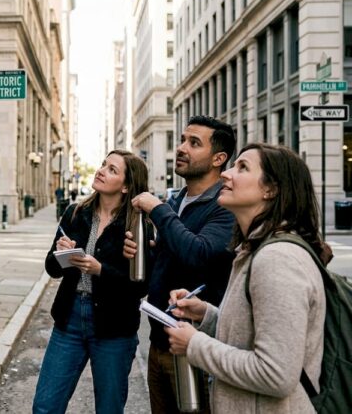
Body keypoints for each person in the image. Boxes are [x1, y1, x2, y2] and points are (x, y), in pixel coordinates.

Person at [165, 143, 327, 413]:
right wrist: (206, 314)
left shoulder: (277, 260)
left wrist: (195, 344)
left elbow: (276, 374)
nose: (226, 174)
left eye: (242, 167)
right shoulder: (255, 250)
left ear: (270, 189)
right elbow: (253, 335)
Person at [124, 115, 236, 414]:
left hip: (196, 349)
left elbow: (198, 253)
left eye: (194, 143)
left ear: (218, 159)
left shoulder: (224, 207)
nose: (182, 148)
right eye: (183, 140)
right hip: (160, 342)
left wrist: (158, 210)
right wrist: (143, 253)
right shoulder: (176, 202)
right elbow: (165, 266)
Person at [33, 150, 149, 414]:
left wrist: (100, 270)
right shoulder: (76, 212)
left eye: (112, 169)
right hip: (69, 318)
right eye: (103, 164)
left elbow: (141, 287)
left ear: (127, 185)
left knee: (109, 409)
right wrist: (61, 253)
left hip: (114, 326)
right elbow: (52, 269)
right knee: (45, 407)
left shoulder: (137, 224)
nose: (101, 171)